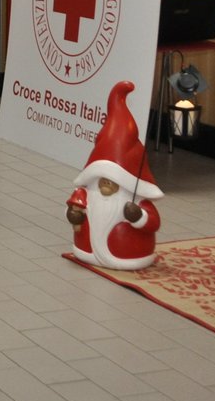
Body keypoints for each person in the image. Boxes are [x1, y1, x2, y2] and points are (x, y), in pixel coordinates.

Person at [65, 80, 161, 270]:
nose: (104, 186)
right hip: (86, 249)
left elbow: (153, 222)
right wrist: (73, 214)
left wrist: (139, 216)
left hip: (130, 255)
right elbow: (75, 206)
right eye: (102, 180)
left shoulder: (138, 200)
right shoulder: (86, 193)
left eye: (110, 181)